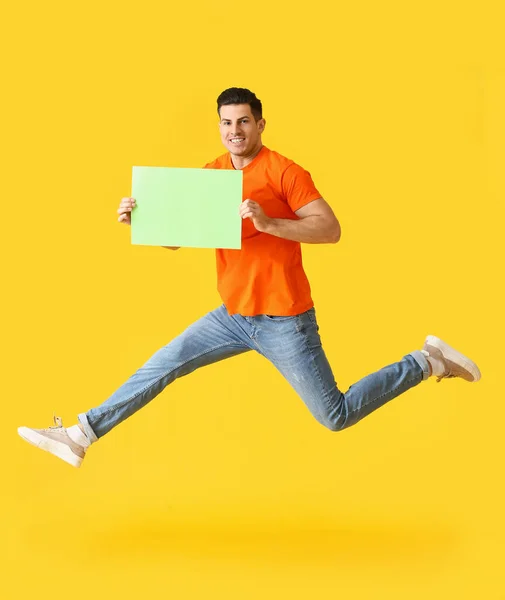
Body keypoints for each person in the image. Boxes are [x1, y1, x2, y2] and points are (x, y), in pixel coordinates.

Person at [18, 87, 481, 468]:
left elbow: (330, 228)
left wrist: (270, 224)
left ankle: (426, 361)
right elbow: (179, 239)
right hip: (234, 314)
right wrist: (141, 221)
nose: (234, 131)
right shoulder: (212, 175)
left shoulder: (284, 172)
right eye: (226, 123)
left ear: (260, 124)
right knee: (162, 365)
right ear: (218, 127)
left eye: (243, 121)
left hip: (285, 320)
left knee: (335, 416)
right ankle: (81, 433)